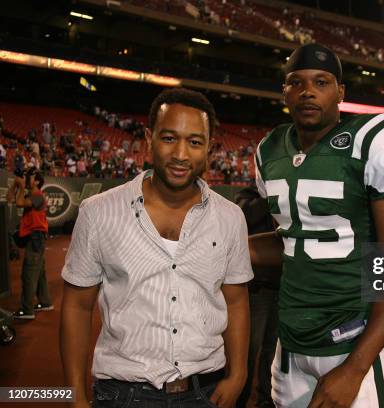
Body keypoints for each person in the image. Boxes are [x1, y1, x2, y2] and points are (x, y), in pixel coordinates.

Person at [250, 43, 384, 407]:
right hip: (291, 341)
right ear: (284, 91)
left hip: (352, 342)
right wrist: (222, 245)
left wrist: (356, 367)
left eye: (321, 81)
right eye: (295, 82)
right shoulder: (269, 151)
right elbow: (294, 241)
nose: (308, 91)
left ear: (341, 91)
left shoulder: (372, 141)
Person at [60, 88, 253, 408]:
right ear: (148, 138)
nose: (180, 154)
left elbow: (236, 301)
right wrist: (75, 397)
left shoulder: (231, 217)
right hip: (122, 394)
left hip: (207, 391)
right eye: (168, 138)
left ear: (210, 148)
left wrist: (239, 376)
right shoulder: (98, 211)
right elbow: (77, 306)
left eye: (194, 142)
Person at [235, 185, 279, 408]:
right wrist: (271, 194)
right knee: (249, 350)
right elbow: (244, 215)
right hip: (257, 290)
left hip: (281, 288)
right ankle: (239, 399)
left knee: (272, 349)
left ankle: (265, 398)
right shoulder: (248, 195)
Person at [7, 169, 53, 319]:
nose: (27, 179)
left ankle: (27, 310)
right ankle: (45, 302)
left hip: (35, 239)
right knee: (39, 273)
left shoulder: (38, 196)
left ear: (38, 182)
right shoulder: (31, 195)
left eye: (31, 177)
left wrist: (20, 187)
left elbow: (19, 203)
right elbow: (9, 199)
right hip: (34, 238)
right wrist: (15, 185)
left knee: (29, 274)